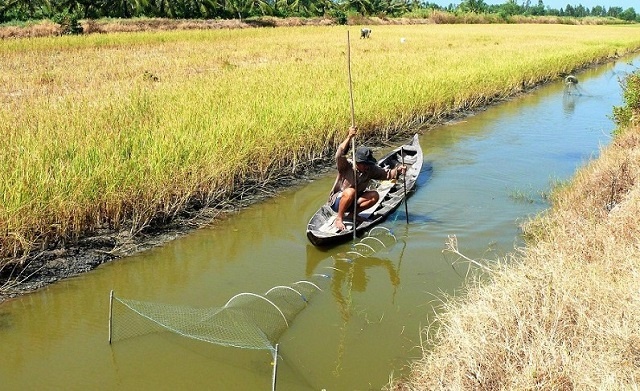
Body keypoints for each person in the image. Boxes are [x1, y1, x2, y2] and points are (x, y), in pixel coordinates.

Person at [328, 126, 406, 231]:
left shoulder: (370, 169)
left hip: (354, 201)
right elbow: (340, 153)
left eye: (368, 164)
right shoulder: (346, 166)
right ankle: (339, 218)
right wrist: (349, 136)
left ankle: (352, 215)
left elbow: (387, 174)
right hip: (338, 201)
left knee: (375, 195)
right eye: (364, 164)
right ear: (357, 162)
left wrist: (399, 170)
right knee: (350, 191)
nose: (367, 166)